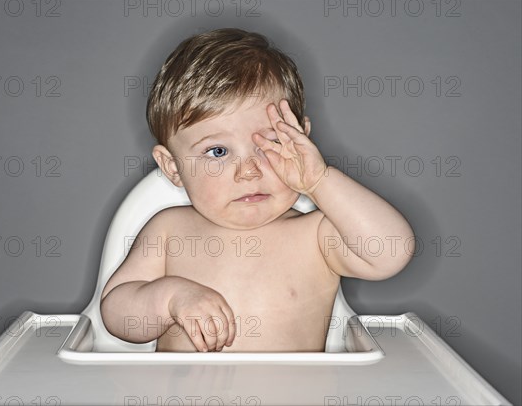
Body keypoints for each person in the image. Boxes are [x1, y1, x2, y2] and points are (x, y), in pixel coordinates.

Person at [100, 28, 414, 352]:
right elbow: (115, 313)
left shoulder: (316, 236)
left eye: (270, 144)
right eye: (218, 151)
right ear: (173, 167)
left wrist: (320, 181)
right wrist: (169, 298)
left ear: (301, 140)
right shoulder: (169, 231)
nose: (248, 171)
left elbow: (390, 252)